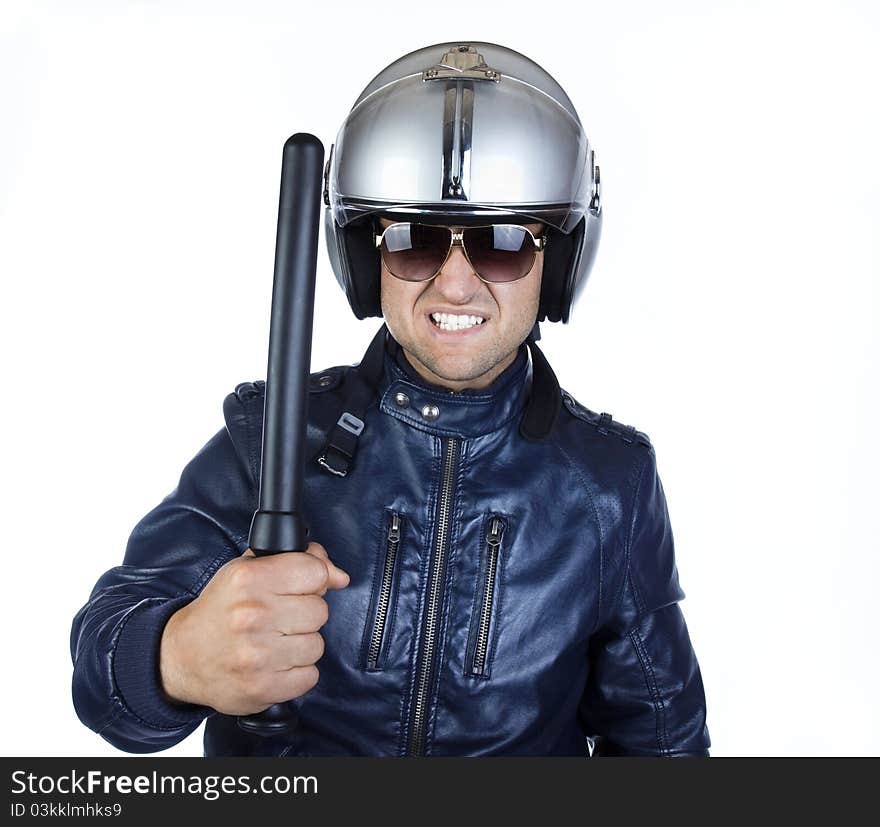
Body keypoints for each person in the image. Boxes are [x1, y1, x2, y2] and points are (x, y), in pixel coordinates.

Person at [71, 41, 711, 757]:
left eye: (503, 243)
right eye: (414, 241)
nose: (457, 284)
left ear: (555, 262)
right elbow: (104, 668)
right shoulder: (269, 437)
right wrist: (179, 656)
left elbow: (664, 747)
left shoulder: (611, 484)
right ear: (367, 257)